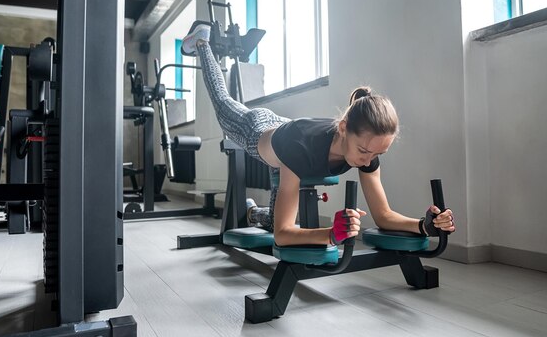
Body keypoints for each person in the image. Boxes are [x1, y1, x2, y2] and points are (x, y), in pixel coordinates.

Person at [182, 23, 455, 247]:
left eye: (378, 154)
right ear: (345, 128)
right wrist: (330, 234)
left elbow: (383, 215)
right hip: (256, 130)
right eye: (363, 151)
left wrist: (423, 224)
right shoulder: (300, 148)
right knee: (222, 100)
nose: (368, 160)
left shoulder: (366, 149)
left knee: (273, 219)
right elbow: (284, 235)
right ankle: (202, 42)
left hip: (289, 130)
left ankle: (251, 212)